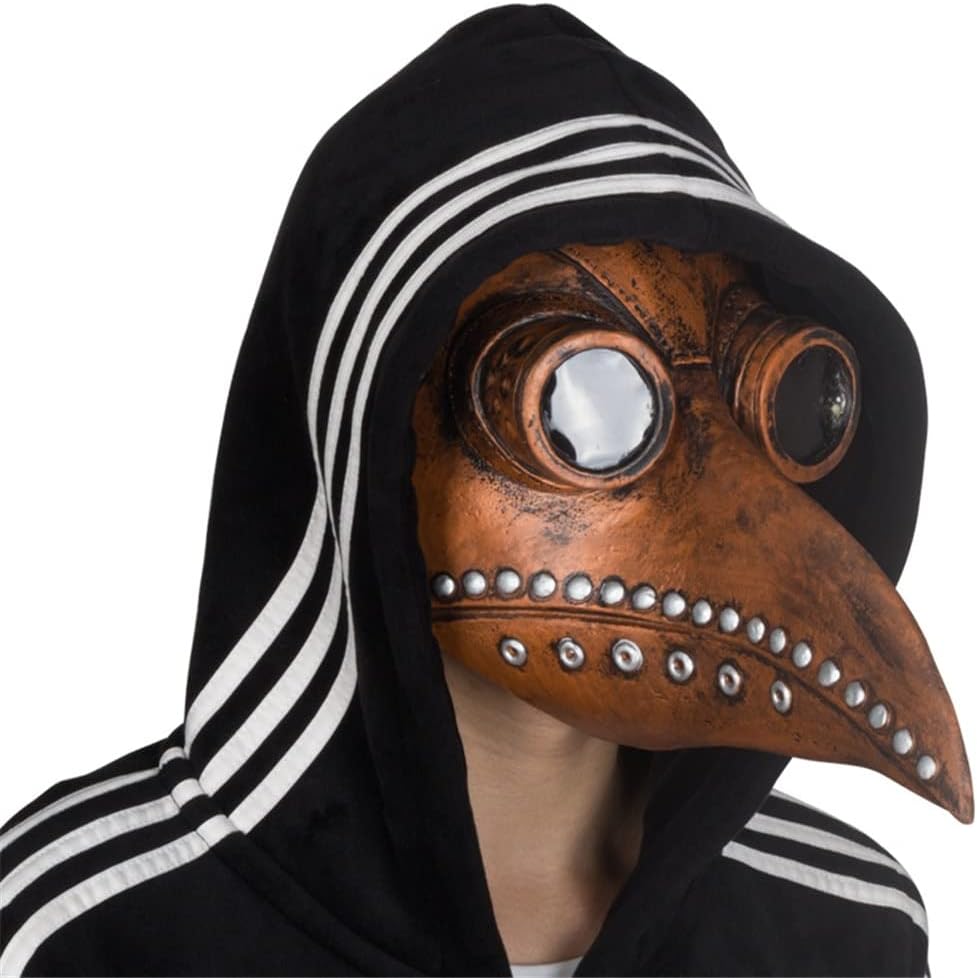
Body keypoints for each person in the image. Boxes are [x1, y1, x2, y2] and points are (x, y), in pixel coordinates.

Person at [0, 5, 969, 975]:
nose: (713, 484)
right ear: (374, 419)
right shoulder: (90, 930)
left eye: (774, 398)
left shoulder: (846, 928)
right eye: (583, 393)